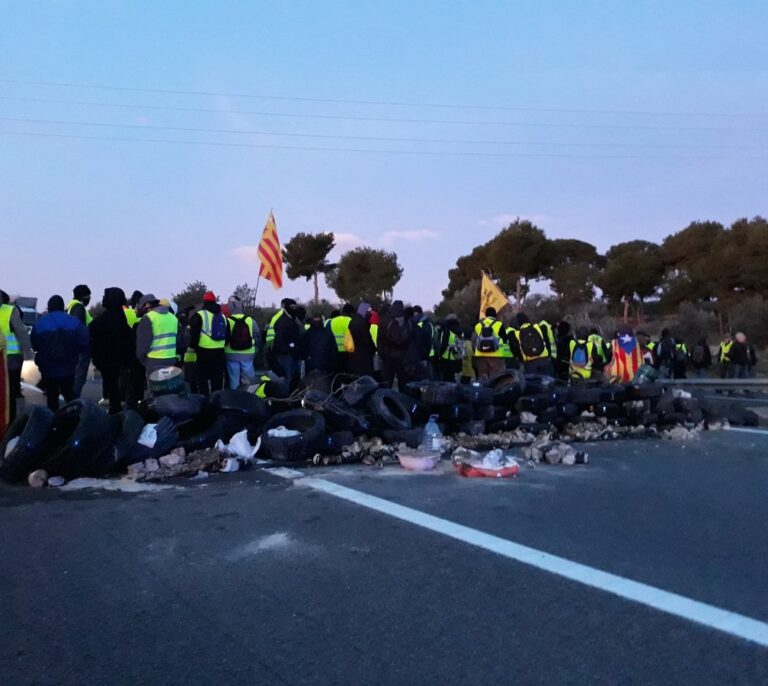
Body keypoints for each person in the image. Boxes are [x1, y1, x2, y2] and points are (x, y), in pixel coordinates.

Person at [31, 295, 89, 411]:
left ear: (49, 307)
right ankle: (72, 419)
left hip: (48, 367)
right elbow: (84, 341)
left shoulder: (40, 323)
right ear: (63, 307)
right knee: (68, 394)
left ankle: (53, 422)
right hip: (68, 367)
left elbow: (35, 344)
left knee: (52, 397)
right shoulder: (74, 322)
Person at [88, 287, 134, 414]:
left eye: (105, 296)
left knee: (112, 385)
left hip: (107, 361)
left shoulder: (100, 322)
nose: (103, 298)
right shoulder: (121, 319)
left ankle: (116, 409)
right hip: (120, 360)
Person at [0, 290, 32, 422]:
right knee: (11, 391)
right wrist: (28, 354)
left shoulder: (9, 311)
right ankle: (11, 421)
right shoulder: (10, 311)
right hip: (11, 358)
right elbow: (21, 332)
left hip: (9, 357)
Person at [135, 294, 181, 381]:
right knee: (168, 388)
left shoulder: (148, 318)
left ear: (147, 305)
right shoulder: (173, 318)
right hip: (171, 359)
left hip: (154, 361)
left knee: (155, 390)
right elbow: (178, 341)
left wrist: (142, 359)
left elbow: (143, 345)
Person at [188, 292, 227, 395]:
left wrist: (194, 347)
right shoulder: (222, 316)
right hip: (220, 351)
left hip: (204, 351)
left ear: (204, 302)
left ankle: (204, 400)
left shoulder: (200, 315)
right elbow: (227, 334)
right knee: (217, 379)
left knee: (202, 378)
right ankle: (217, 400)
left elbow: (194, 334)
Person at [378, 300, 417, 389]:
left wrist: (383, 356)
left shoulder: (385, 320)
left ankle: (386, 401)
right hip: (404, 358)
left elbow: (380, 340)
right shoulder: (409, 321)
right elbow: (413, 341)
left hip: (389, 357)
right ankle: (402, 401)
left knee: (386, 384)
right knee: (404, 385)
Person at [224, 296, 260, 389]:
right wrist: (255, 352)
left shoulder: (226, 321)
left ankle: (235, 400)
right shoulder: (251, 321)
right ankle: (250, 397)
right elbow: (258, 338)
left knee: (233, 380)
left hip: (231, 354)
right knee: (250, 380)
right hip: (248, 354)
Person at [66, 284, 93, 397]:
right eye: (88, 296)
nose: (89, 298)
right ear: (83, 296)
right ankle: (74, 400)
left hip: (73, 347)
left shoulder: (71, 306)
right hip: (80, 348)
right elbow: (79, 327)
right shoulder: (78, 308)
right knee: (79, 376)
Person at [271, 299, 301, 389]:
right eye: (292, 307)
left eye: (295, 307)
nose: (294, 309)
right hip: (285, 355)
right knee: (287, 378)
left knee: (292, 378)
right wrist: (290, 348)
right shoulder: (283, 321)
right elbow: (280, 341)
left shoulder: (292, 319)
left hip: (291, 354)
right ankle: (285, 399)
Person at [471, 307, 507, 379]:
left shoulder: (478, 325)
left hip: (481, 356)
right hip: (496, 356)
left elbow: (473, 340)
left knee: (482, 378)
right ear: (495, 315)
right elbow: (504, 340)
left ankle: (483, 390)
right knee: (496, 379)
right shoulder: (499, 325)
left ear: (486, 315)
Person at [345, 303, 376, 377]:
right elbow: (367, 339)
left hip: (353, 356)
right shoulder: (362, 323)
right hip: (363, 357)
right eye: (369, 312)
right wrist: (373, 349)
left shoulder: (353, 321)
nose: (370, 314)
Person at [437, 314, 464, 382]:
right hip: (457, 358)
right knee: (455, 381)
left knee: (446, 381)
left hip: (447, 360)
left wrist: (439, 356)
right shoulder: (461, 330)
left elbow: (443, 345)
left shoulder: (446, 330)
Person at [327, 303, 354, 371]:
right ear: (351, 313)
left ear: (343, 312)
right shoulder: (350, 321)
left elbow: (327, 335)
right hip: (347, 353)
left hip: (333, 353)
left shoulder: (332, 321)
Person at [412, 305, 436, 378]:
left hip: (424, 354)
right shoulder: (428, 323)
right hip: (428, 353)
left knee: (424, 377)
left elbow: (424, 340)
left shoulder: (421, 324)